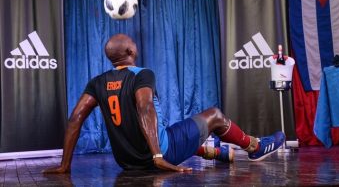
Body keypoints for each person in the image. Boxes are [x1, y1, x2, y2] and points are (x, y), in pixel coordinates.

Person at [43, 34, 285, 173]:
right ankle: (255, 147)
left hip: (127, 162)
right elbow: (145, 107)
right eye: (133, 43)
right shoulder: (141, 74)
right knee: (214, 116)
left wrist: (65, 165)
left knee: (176, 128)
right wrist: (158, 155)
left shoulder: (97, 82)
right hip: (159, 154)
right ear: (130, 50)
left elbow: (75, 118)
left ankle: (218, 153)